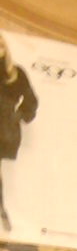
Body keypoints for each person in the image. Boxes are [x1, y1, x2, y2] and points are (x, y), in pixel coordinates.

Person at [0, 36, 36, 233]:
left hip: (4, 130)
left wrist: (18, 115)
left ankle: (2, 211)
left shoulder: (16, 73)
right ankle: (2, 210)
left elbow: (31, 102)